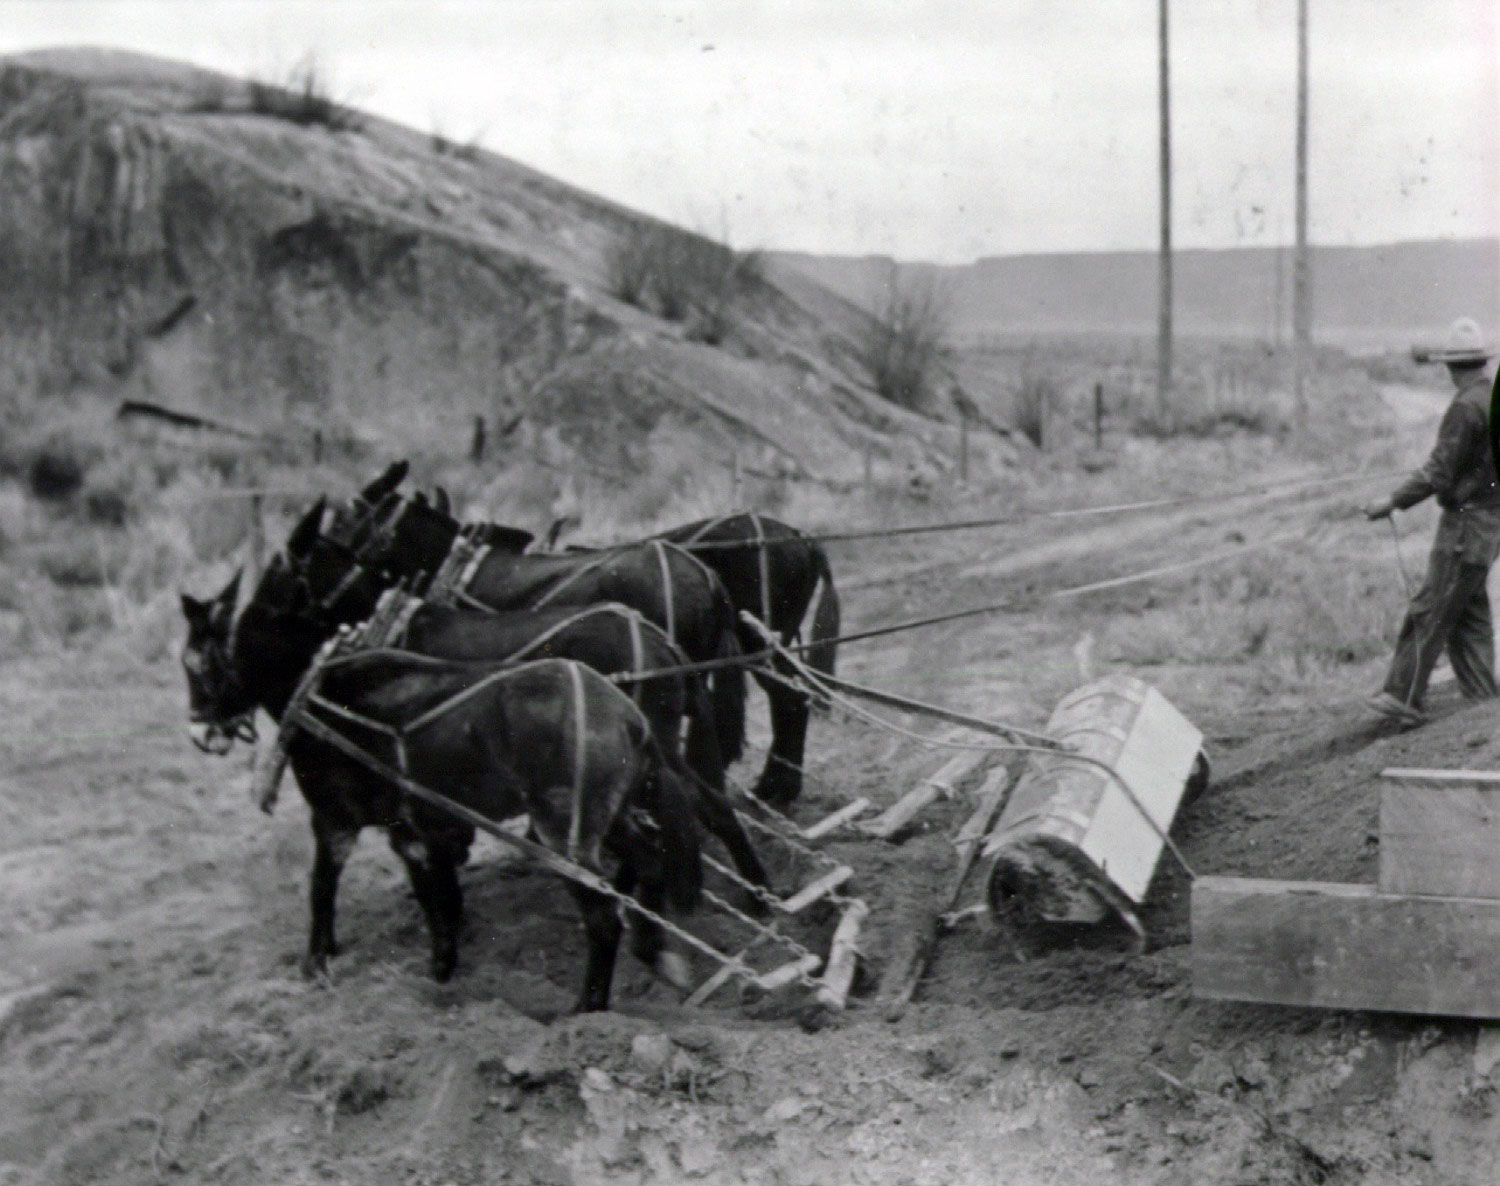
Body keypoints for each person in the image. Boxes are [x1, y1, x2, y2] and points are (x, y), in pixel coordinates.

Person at [1364, 317, 1500, 725]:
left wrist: (1391, 502)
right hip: (1490, 528)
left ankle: (1404, 695)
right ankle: (1482, 702)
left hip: (1464, 527)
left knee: (1431, 607)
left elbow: (1438, 472)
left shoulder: (1464, 408)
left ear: (1450, 367)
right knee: (1467, 613)